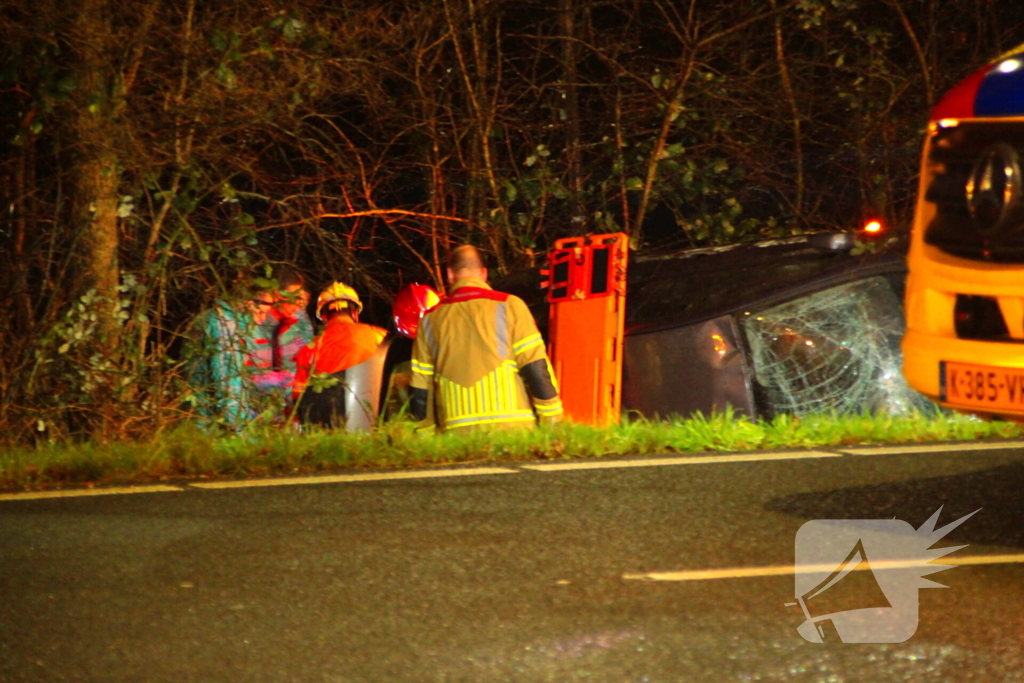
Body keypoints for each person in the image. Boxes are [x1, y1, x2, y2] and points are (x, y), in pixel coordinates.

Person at [409, 245, 563, 432]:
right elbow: (535, 367)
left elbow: (420, 389)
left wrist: (424, 437)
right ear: (483, 274)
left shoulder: (429, 321)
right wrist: (552, 419)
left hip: (458, 436)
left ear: (450, 275)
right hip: (513, 430)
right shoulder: (510, 306)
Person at [189, 264, 313, 428]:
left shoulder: (228, 322)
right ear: (248, 303)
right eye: (260, 312)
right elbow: (229, 391)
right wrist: (245, 434)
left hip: (218, 421)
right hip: (208, 427)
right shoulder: (224, 326)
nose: (261, 319)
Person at [292, 281, 387, 425]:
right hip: (372, 418)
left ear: (324, 317)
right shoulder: (380, 337)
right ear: (355, 312)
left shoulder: (310, 350)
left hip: (327, 427)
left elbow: (298, 400)